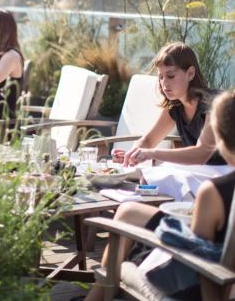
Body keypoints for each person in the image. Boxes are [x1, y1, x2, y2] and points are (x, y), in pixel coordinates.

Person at [85, 89, 235, 301]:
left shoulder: (214, 193)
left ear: (220, 137)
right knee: (129, 210)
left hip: (198, 289)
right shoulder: (218, 191)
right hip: (220, 265)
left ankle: (96, 294)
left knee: (118, 264)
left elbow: (200, 264)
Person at [112, 42, 226, 167]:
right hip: (204, 170)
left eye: (171, 76)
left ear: (190, 73)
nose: (164, 83)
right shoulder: (175, 107)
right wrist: (133, 154)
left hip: (227, 171)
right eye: (160, 76)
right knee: (149, 178)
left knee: (155, 178)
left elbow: (202, 154)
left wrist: (151, 153)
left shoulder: (214, 104)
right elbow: (148, 140)